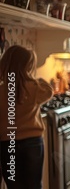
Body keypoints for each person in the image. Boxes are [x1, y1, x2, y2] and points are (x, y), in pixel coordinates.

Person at [0, 45, 53, 189]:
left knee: (14, 186)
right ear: (27, 68)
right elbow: (49, 91)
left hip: (8, 144)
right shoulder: (34, 87)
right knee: (34, 185)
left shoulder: (2, 89)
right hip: (32, 143)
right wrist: (33, 78)